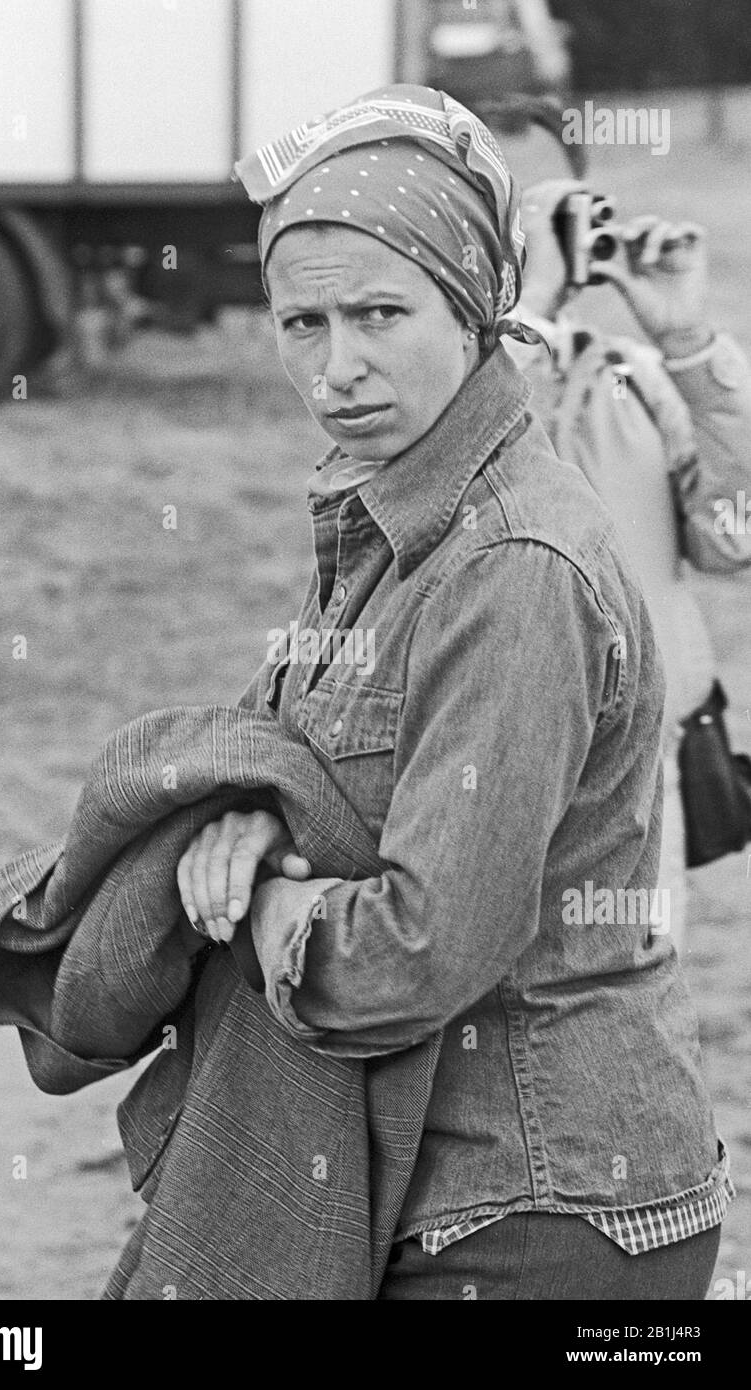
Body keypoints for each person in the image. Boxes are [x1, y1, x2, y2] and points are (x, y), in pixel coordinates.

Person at [171, 84, 732, 1299]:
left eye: (379, 312)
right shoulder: (388, 519)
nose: (336, 367)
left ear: (477, 305)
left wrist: (266, 904)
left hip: (541, 1211)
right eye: (300, 321)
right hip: (461, 1194)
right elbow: (309, 743)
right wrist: (264, 803)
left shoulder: (508, 563)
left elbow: (417, 953)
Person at [505, 176, 751, 959]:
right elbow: (468, 470)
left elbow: (735, 541)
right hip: (495, 771)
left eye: (565, 207)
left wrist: (688, 345)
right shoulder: (434, 392)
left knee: (626, 1021)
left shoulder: (635, 376)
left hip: (643, 780)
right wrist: (532, 306)